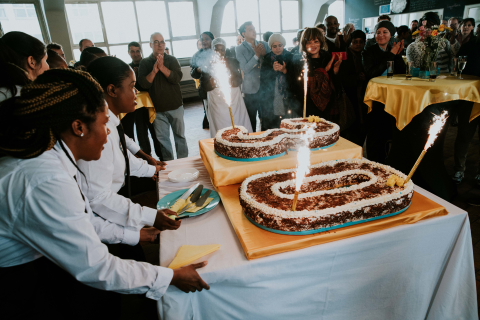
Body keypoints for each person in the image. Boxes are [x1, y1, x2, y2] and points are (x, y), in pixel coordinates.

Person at [0, 68, 209, 320]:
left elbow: (82, 218)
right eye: (103, 123)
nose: (109, 133)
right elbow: (95, 266)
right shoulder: (45, 178)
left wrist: (136, 233)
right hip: (19, 280)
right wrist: (170, 276)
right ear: (79, 127)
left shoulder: (53, 157)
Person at [138, 32, 188, 160]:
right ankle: (169, 165)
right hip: (157, 109)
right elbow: (143, 84)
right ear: (150, 44)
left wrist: (162, 67)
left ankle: (183, 162)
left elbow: (176, 78)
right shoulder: (145, 62)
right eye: (156, 42)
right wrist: (154, 71)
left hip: (175, 106)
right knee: (163, 140)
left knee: (180, 136)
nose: (159, 45)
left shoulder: (172, 60)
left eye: (162, 42)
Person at [363, 20, 406, 163]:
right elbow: (372, 73)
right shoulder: (368, 52)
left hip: (392, 97)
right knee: (375, 132)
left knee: (389, 131)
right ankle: (374, 162)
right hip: (375, 98)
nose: (381, 35)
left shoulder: (393, 50)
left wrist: (397, 54)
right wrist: (391, 54)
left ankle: (388, 162)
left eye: (385, 32)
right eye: (378, 32)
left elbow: (402, 72)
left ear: (391, 34)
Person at [291, 27, 342, 122]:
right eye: (309, 42)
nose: (313, 45)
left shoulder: (328, 58)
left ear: (321, 42)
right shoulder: (300, 60)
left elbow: (335, 85)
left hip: (327, 105)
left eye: (316, 41)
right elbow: (295, 86)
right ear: (304, 44)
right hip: (306, 105)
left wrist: (335, 71)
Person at [122, 41, 163, 159]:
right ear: (129, 53)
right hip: (138, 107)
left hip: (152, 103)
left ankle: (162, 157)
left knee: (156, 133)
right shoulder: (127, 68)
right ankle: (147, 158)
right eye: (133, 51)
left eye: (138, 51)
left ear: (141, 52)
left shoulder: (148, 64)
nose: (136, 54)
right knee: (142, 133)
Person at [206, 38, 252, 137]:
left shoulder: (232, 61)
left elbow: (239, 79)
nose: (220, 52)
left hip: (233, 97)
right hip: (216, 99)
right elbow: (204, 84)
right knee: (220, 125)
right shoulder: (207, 64)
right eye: (216, 49)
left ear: (225, 50)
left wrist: (230, 81)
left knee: (237, 120)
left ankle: (240, 138)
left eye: (222, 49)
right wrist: (213, 83)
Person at [451, 35, 480, 184]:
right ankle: (459, 169)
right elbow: (457, 67)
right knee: (464, 135)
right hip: (469, 98)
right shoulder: (469, 47)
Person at [236, 21, 271, 131]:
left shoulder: (264, 45)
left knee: (266, 117)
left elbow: (270, 64)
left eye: (254, 29)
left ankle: (266, 140)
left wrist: (265, 56)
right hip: (250, 89)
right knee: (251, 118)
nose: (254, 31)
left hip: (265, 87)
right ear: (243, 34)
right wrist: (256, 55)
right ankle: (252, 141)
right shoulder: (239, 49)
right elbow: (245, 69)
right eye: (250, 30)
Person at [338, 30, 368, 146]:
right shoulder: (346, 55)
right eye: (355, 42)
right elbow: (343, 77)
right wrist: (357, 78)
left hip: (362, 95)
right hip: (350, 95)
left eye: (361, 42)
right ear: (350, 42)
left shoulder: (365, 54)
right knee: (351, 125)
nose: (358, 44)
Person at [0, 31, 49, 102]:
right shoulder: (33, 98)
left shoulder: (4, 92)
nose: (48, 67)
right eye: (46, 60)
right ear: (32, 62)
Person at [260, 33, 295, 129]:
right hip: (272, 94)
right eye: (274, 46)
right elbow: (263, 78)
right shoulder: (267, 58)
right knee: (272, 123)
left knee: (287, 121)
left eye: (280, 45)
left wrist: (284, 70)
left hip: (287, 94)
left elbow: (295, 77)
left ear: (284, 45)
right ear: (271, 47)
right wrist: (272, 70)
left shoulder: (290, 56)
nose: (278, 48)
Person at [191, 32, 216, 132]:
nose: (204, 41)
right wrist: (197, 70)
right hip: (206, 90)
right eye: (202, 39)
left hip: (220, 89)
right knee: (210, 115)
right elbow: (193, 74)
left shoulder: (217, 52)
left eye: (207, 39)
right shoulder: (197, 55)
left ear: (212, 40)